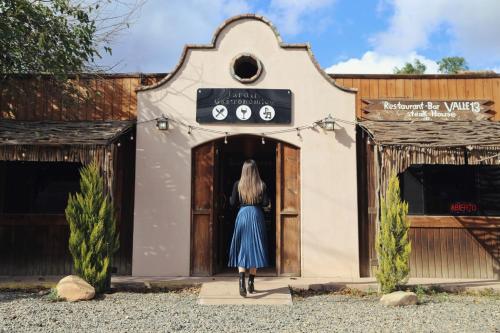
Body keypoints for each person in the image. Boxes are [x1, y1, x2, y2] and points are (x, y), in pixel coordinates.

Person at [228, 159, 270, 297]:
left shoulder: (237, 185)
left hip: (242, 216)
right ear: (256, 170)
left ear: (243, 170)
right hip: (256, 215)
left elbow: (233, 203)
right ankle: (251, 282)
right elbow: (265, 203)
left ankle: (241, 282)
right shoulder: (262, 185)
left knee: (242, 248)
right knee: (255, 248)